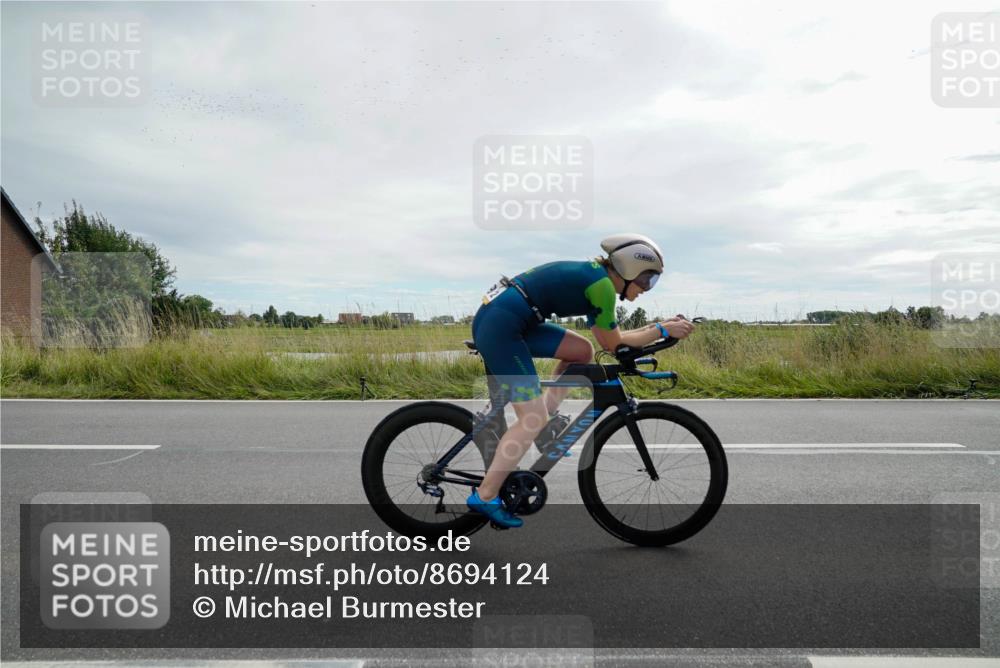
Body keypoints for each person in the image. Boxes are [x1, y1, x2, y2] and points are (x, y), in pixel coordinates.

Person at [466, 233, 695, 528]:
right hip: (502, 326)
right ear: (629, 269)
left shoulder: (598, 278)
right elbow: (612, 343)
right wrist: (661, 331)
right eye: (646, 279)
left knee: (581, 352)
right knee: (531, 418)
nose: (646, 288)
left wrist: (659, 326)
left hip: (512, 318)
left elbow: (607, 340)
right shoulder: (602, 287)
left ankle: (543, 426)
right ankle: (485, 495)